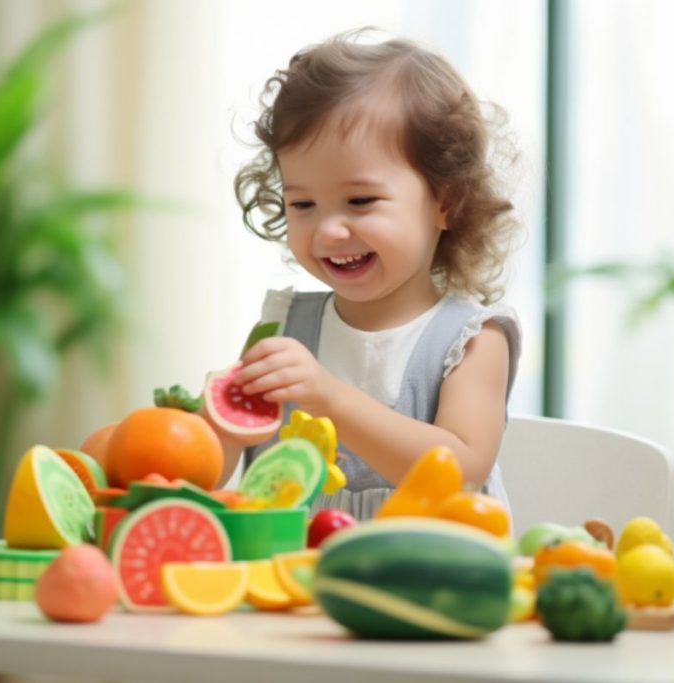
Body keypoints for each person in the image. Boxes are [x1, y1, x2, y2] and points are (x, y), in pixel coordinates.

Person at [215, 30, 522, 520]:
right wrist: (220, 429)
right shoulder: (284, 324)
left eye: (360, 201)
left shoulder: (473, 340)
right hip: (294, 586)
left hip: (432, 581)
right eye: (303, 204)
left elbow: (460, 471)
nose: (329, 230)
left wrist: (330, 397)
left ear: (446, 201)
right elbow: (210, 474)